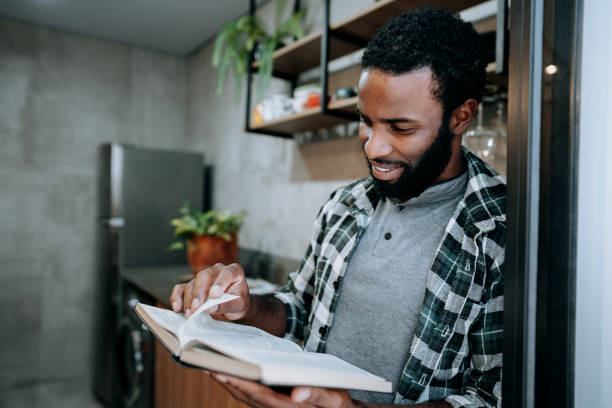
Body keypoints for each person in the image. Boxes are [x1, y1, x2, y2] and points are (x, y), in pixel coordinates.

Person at [170, 7, 505, 408]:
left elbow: (493, 397)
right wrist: (246, 307)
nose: (374, 146)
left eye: (400, 127)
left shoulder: (502, 229)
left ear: (461, 116)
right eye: (367, 121)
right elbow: (298, 308)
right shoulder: (345, 205)